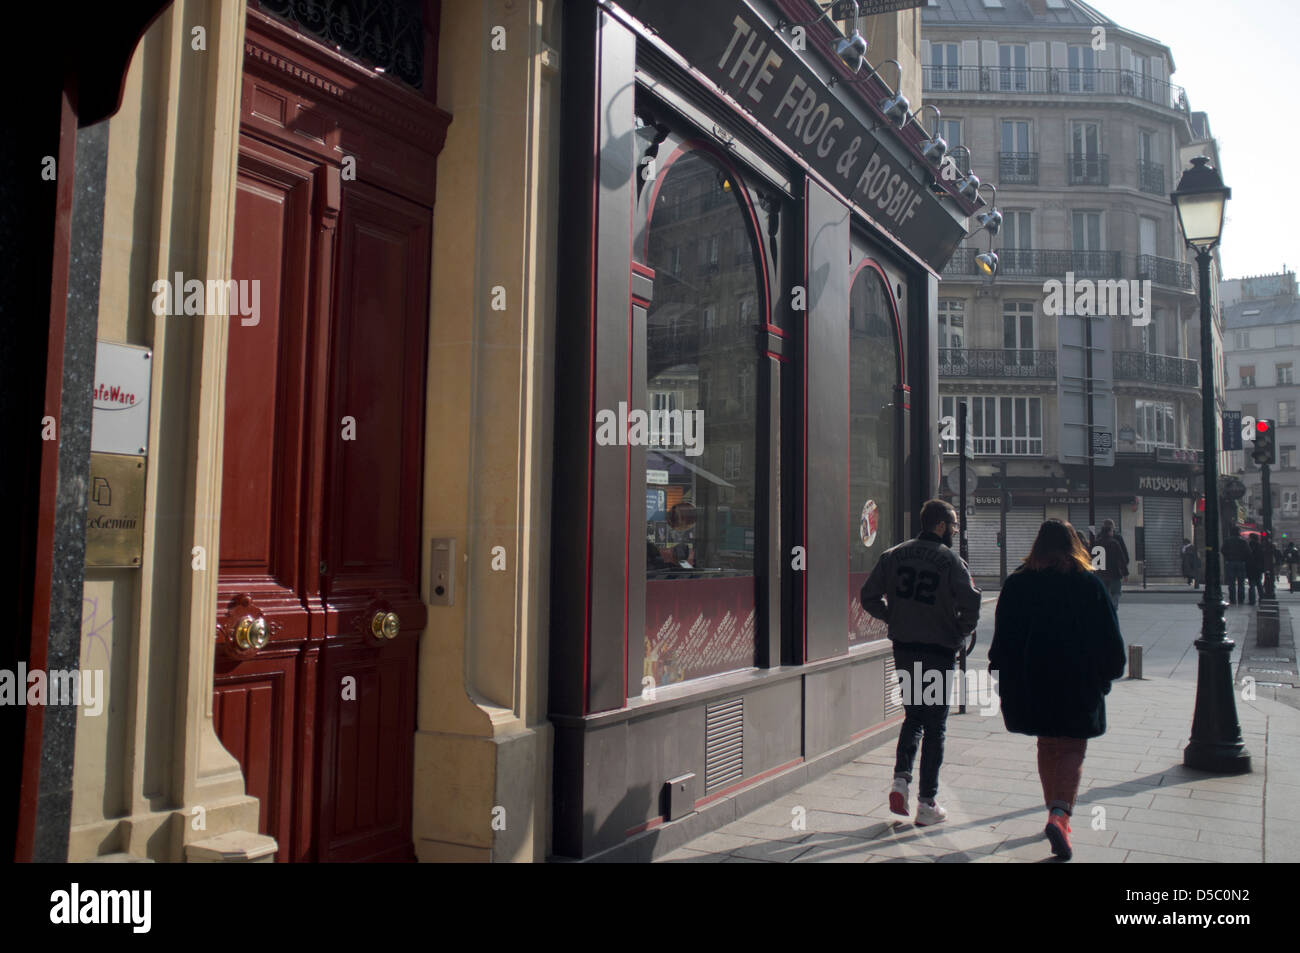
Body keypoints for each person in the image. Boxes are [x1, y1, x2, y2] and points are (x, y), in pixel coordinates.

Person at [989, 519, 1126, 861]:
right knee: (1072, 747)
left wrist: (1001, 674)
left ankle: (1054, 810)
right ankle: (1060, 814)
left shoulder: (1018, 583)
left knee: (1047, 744)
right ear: (1073, 546)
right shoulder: (1088, 584)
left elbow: (1003, 638)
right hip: (1077, 681)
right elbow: (1109, 638)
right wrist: (1108, 674)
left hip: (1032, 681)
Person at [861, 498, 982, 827]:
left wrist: (892, 616)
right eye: (953, 525)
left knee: (913, 716)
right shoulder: (951, 560)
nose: (954, 530)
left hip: (905, 648)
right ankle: (927, 803)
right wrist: (961, 630)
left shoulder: (893, 555)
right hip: (938, 650)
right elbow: (972, 603)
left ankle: (901, 780)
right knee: (935, 725)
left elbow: (868, 596)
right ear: (940, 526)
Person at [1094, 519, 1129, 607]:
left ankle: (1105, 608)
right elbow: (1122, 557)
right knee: (1116, 592)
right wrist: (1125, 572)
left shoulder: (1097, 540)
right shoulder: (1116, 540)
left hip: (1101, 572)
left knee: (1104, 592)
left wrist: (1094, 572)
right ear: (1111, 529)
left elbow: (1093, 558)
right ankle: (1113, 608)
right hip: (1114, 571)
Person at [1221, 527, 1250, 606]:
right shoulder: (1243, 541)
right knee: (1241, 583)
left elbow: (1223, 550)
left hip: (1230, 562)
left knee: (1231, 582)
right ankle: (1241, 599)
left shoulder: (1227, 541)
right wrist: (1243, 558)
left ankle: (1232, 599)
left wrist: (1228, 556)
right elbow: (1248, 552)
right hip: (1240, 562)